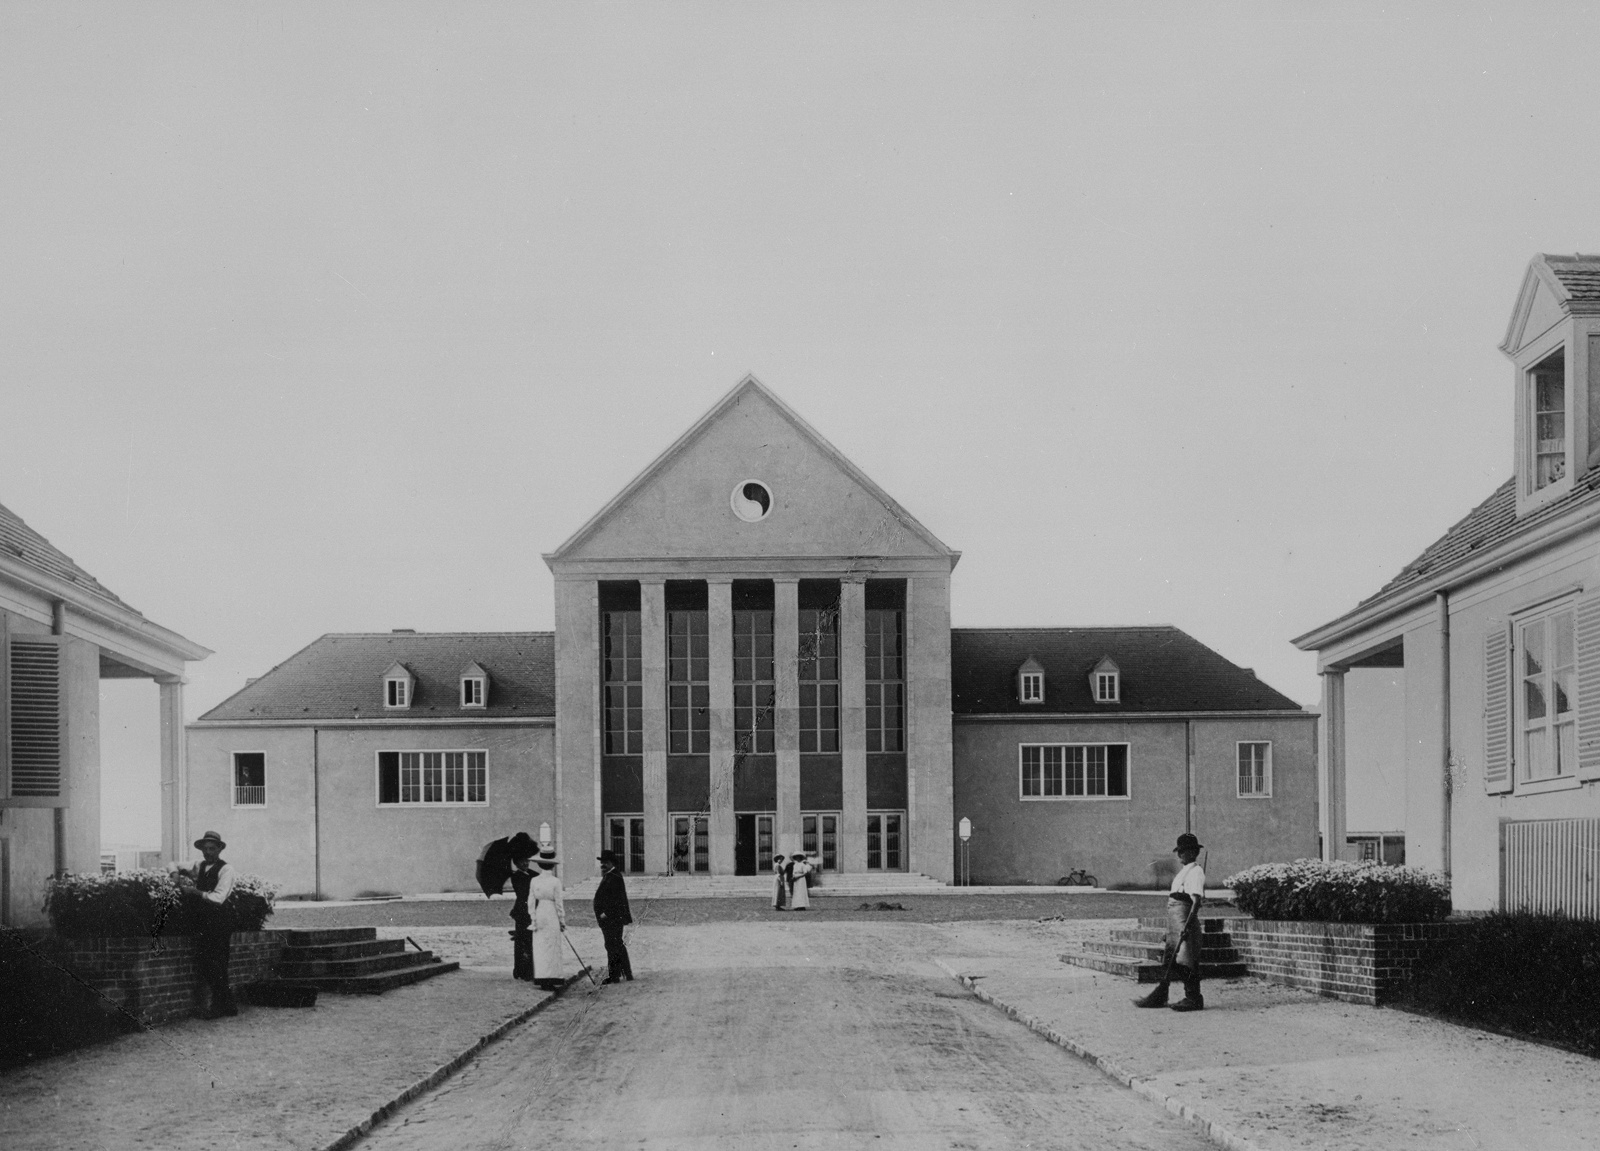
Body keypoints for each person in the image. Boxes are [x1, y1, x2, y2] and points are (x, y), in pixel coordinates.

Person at [1134, 832, 1207, 1012]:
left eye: (1183, 851)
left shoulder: (1196, 871)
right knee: (1172, 959)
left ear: (1192, 852)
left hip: (1184, 919)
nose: (1179, 855)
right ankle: (1165, 994)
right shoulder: (1184, 872)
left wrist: (1187, 926)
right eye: (1179, 851)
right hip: (1175, 921)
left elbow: (1196, 901)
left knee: (1186, 959)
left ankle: (1193, 998)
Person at [174, 830, 237, 1018]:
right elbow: (173, 864)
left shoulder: (227, 870)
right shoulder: (198, 865)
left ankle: (219, 1006)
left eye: (212, 848)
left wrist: (195, 892)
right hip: (202, 922)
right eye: (205, 849)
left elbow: (218, 897)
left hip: (219, 921)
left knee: (217, 964)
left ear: (219, 849)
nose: (207, 852)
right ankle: (228, 1005)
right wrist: (175, 876)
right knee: (206, 963)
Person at [593, 849, 634, 984]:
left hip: (612, 918)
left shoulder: (614, 877)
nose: (602, 865)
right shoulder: (610, 875)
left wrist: (605, 913)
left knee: (613, 945)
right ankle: (624, 973)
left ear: (611, 863)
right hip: (611, 918)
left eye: (605, 862)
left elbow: (616, 900)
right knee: (615, 945)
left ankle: (615, 975)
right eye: (602, 862)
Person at [528, 848, 566, 989]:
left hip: (540, 913)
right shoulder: (555, 881)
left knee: (540, 946)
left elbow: (531, 901)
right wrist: (562, 921)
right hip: (551, 914)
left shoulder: (534, 880)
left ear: (540, 865)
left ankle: (542, 978)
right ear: (553, 865)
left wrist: (533, 918)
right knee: (552, 946)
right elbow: (559, 903)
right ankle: (551, 977)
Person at [508, 842, 538, 981]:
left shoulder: (534, 874)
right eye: (522, 862)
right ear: (516, 864)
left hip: (534, 910)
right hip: (522, 911)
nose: (525, 863)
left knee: (532, 940)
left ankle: (532, 969)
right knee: (521, 940)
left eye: (527, 861)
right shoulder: (516, 877)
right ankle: (520, 970)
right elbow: (523, 893)